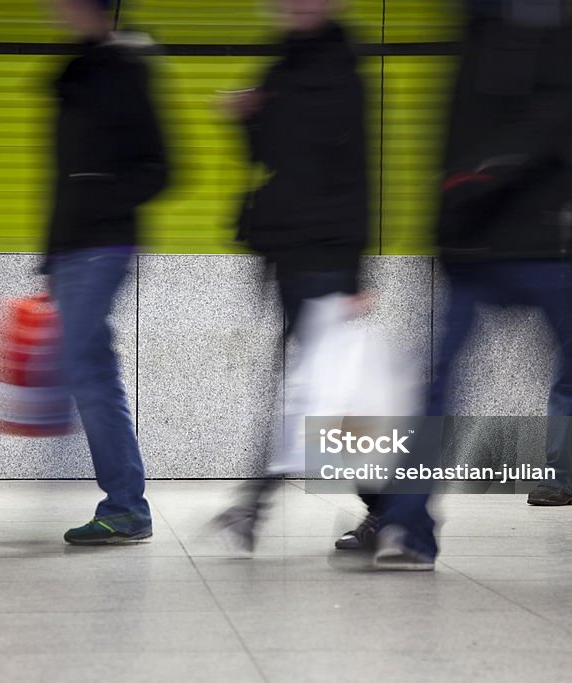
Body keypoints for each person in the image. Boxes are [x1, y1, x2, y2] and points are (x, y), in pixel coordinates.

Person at [373, 0, 572, 569]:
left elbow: (564, 117)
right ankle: (406, 527)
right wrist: (445, 225)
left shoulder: (554, 18)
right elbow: (448, 135)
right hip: (475, 244)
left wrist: (488, 174)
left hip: (551, 243)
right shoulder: (470, 24)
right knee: (440, 386)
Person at [210, 0, 373, 553]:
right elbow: (268, 156)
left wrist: (355, 272)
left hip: (326, 254)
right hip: (289, 250)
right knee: (311, 389)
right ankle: (259, 503)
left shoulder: (343, 68)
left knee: (318, 391)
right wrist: (246, 117)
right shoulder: (282, 65)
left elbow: (359, 172)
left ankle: (258, 503)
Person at [43, 0, 168, 544]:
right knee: (89, 369)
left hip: (105, 243)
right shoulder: (73, 72)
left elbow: (162, 167)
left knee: (82, 368)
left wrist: (100, 203)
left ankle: (126, 505)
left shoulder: (125, 69)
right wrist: (52, 253)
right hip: (71, 248)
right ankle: (125, 506)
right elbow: (62, 177)